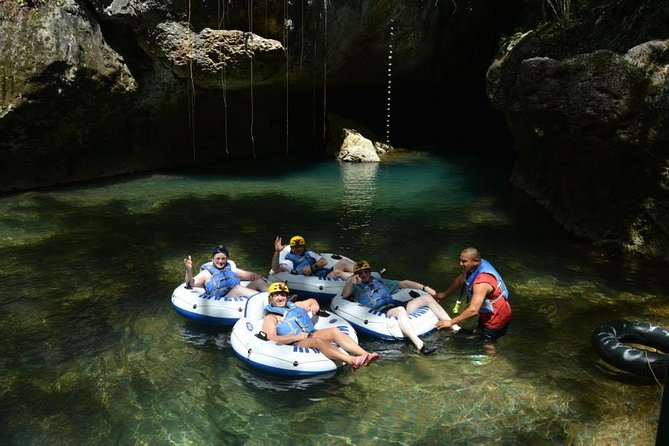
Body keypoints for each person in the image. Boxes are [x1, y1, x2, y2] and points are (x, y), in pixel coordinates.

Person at [341, 260, 460, 355]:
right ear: (356, 275)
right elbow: (344, 295)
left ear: (369, 272)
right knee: (400, 310)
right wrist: (351, 281)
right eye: (360, 273)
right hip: (380, 312)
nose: (363, 274)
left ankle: (455, 327)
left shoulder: (380, 281)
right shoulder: (355, 287)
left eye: (365, 271)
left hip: (393, 306)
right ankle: (420, 345)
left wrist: (426, 288)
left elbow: (405, 283)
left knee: (427, 299)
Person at [262, 282, 380, 370]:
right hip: (296, 342)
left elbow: (312, 301)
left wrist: (315, 306)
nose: (280, 298)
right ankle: (352, 360)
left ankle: (366, 355)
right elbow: (271, 337)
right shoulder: (271, 318)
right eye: (276, 295)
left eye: (282, 294)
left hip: (311, 333)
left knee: (334, 331)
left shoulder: (296, 305)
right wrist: (296, 337)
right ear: (270, 298)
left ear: (287, 297)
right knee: (317, 341)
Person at [435, 247, 511, 353]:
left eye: (464, 261)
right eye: (460, 260)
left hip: (496, 315)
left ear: (475, 261)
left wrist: (451, 322)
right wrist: (444, 294)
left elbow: (473, 310)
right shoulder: (476, 266)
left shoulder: (482, 282)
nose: (460, 264)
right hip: (488, 311)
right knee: (481, 333)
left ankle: (493, 363)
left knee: (488, 342)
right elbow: (460, 279)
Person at [184, 245, 268, 298]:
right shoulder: (206, 273)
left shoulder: (232, 269)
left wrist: (264, 280)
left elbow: (253, 276)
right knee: (238, 289)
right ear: (212, 259)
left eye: (223, 259)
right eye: (217, 259)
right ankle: (264, 299)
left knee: (258, 281)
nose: (220, 262)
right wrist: (189, 270)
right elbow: (190, 283)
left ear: (227, 259)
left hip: (238, 297)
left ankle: (275, 294)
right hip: (223, 301)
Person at [271, 235, 354, 279]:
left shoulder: (310, 254)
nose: (298, 249)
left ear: (304, 247)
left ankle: (364, 271)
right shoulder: (289, 262)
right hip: (319, 279)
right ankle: (359, 279)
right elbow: (276, 269)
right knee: (337, 272)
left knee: (344, 262)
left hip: (324, 273)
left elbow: (324, 262)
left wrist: (312, 267)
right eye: (295, 247)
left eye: (300, 246)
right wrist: (277, 252)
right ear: (291, 248)